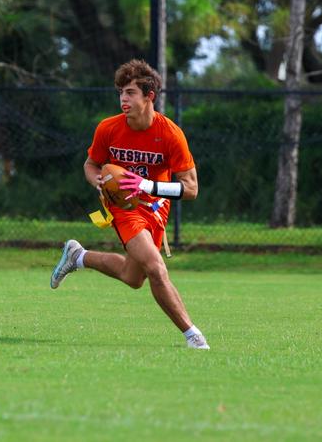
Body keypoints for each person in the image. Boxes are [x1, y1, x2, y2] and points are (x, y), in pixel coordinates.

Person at [49, 59, 209, 349]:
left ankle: (78, 256)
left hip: (156, 209)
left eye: (131, 92)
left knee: (132, 277)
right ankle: (193, 335)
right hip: (124, 208)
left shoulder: (170, 134)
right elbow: (90, 165)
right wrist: (98, 182)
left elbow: (191, 189)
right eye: (121, 92)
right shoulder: (108, 128)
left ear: (150, 96)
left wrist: (147, 186)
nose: (123, 98)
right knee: (156, 267)